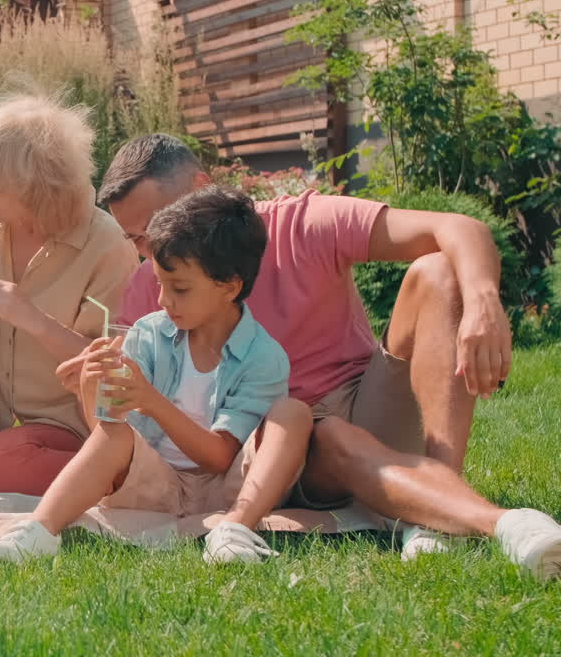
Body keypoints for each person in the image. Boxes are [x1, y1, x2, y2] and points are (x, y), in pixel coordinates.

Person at [60, 133, 561, 580]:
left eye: (155, 225)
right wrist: (97, 377)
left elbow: (460, 228)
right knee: (328, 434)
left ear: (202, 184)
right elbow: (124, 416)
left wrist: (483, 303)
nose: (151, 250)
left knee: (437, 271)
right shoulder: (156, 279)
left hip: (361, 401)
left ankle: (438, 507)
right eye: (136, 239)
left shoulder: (302, 223)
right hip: (264, 445)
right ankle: (455, 517)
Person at [0, 187, 312, 564]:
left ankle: (236, 530)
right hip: (154, 487)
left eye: (180, 288)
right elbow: (113, 437)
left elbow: (219, 458)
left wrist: (151, 399)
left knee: (294, 413)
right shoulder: (150, 334)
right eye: (160, 284)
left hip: (233, 489)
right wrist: (89, 388)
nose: (164, 301)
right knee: (112, 430)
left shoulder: (262, 357)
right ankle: (37, 533)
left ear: (230, 286)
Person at [0, 94, 138, 495]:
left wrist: (30, 317)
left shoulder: (107, 245)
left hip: (74, 426)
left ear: (36, 189)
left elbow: (108, 369)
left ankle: (126, 478)